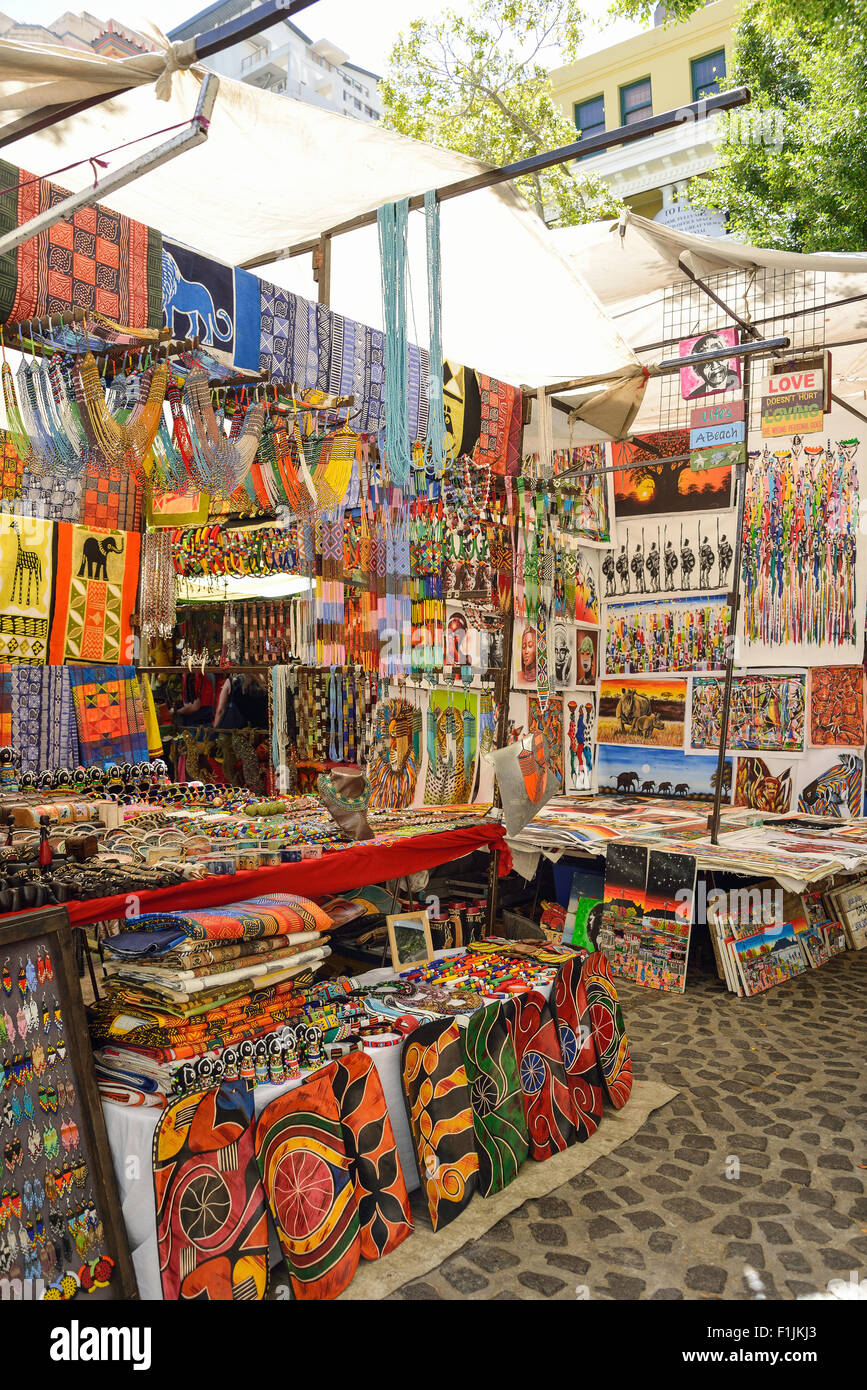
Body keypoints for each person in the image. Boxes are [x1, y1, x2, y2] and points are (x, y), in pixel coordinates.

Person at [686, 332, 740, 398]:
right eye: (707, 363)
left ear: (727, 358)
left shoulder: (739, 380)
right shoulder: (694, 395)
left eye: (719, 358)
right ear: (697, 370)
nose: (715, 366)